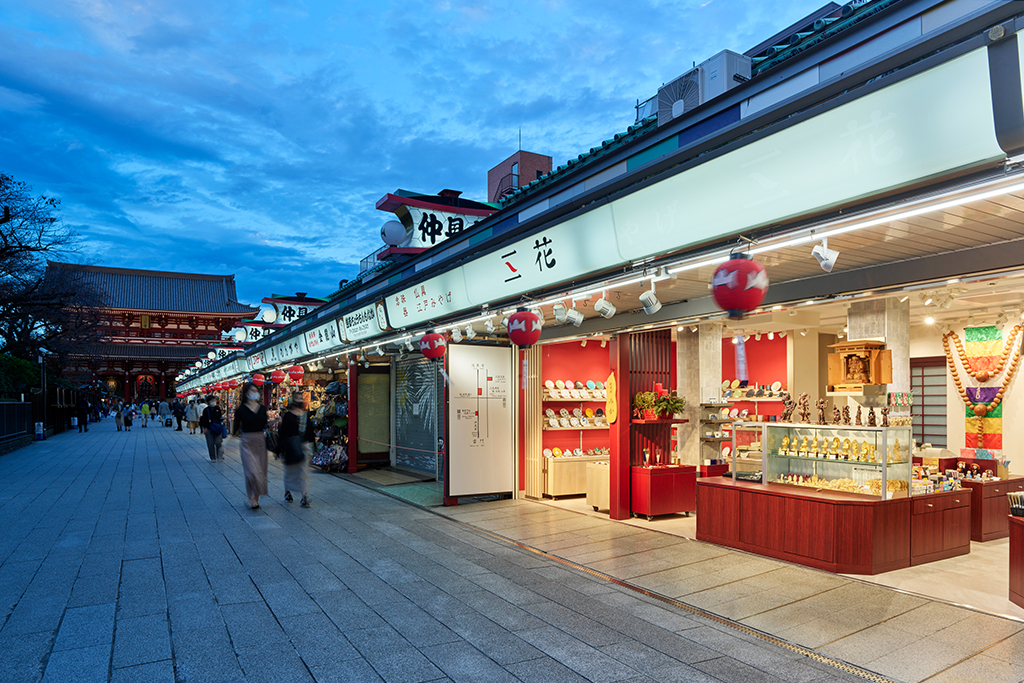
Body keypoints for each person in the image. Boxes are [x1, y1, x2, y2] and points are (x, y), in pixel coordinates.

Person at [232, 383, 269, 509]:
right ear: (246, 393)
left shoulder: (263, 408)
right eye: (252, 390)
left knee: (260, 471)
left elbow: (264, 424)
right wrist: (231, 438)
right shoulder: (241, 409)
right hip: (246, 441)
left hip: (260, 441)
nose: (255, 393)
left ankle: (255, 498)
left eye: (256, 390)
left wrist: (275, 421)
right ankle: (250, 494)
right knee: (251, 471)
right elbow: (236, 425)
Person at [279, 391, 313, 507]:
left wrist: (312, 447)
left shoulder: (305, 415)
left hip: (303, 446)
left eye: (301, 398)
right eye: (298, 398)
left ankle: (304, 496)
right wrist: (280, 448)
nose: (300, 400)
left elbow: (310, 432)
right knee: (290, 471)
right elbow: (282, 433)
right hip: (290, 447)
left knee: (303, 473)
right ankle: (287, 491)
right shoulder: (288, 416)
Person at [199, 395, 225, 462]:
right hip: (209, 428)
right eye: (212, 400)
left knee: (218, 442)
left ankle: (219, 456)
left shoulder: (217, 408)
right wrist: (204, 428)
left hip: (218, 427)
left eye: (214, 400)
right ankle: (213, 457)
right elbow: (203, 420)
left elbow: (219, 417)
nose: (213, 402)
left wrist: (223, 419)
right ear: (208, 401)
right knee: (210, 443)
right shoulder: (206, 410)